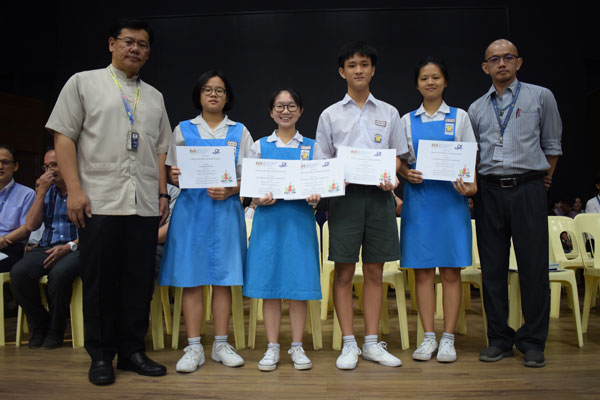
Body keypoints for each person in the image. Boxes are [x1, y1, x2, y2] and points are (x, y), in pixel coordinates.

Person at [46, 18, 172, 385]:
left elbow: (161, 149)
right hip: (98, 200)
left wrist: (162, 193)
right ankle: (100, 355)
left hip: (144, 202)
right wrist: (74, 190)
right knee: (100, 281)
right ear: (112, 44)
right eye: (129, 42)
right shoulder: (83, 83)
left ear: (149, 52)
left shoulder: (154, 96)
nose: (135, 49)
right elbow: (64, 137)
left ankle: (132, 350)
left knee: (138, 281)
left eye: (143, 45)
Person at [468, 39, 562, 368]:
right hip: (489, 192)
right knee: (492, 270)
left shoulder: (541, 97)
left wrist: (542, 180)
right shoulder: (477, 108)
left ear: (519, 62)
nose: (502, 64)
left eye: (508, 58)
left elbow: (552, 145)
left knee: (533, 268)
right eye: (494, 59)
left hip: (528, 189)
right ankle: (499, 339)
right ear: (485, 67)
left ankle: (533, 341)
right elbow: (473, 155)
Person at [315, 41, 408, 370]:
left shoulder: (389, 112)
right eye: (352, 65)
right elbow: (322, 161)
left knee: (374, 271)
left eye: (364, 64)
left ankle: (371, 342)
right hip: (344, 199)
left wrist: (390, 174)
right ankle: (349, 343)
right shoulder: (330, 114)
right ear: (342, 72)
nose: (358, 70)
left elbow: (398, 156)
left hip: (380, 197)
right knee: (343, 271)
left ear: (372, 70)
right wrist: (337, 178)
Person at [158, 70, 253, 373]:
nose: (213, 94)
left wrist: (232, 188)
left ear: (228, 96)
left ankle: (221, 344)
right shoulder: (183, 129)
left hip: (226, 212)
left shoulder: (240, 131)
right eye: (208, 89)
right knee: (192, 280)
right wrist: (173, 175)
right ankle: (194, 346)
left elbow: (252, 175)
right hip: (191, 213)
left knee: (224, 280)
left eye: (220, 90)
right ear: (199, 94)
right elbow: (173, 170)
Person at [399, 57, 477, 363]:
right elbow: (399, 161)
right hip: (419, 203)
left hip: (451, 202)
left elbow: (470, 157)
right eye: (424, 78)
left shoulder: (460, 117)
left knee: (451, 272)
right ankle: (428, 337)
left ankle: (448, 339)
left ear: (445, 82)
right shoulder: (407, 120)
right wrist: (407, 173)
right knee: (422, 273)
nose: (430, 82)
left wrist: (470, 185)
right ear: (417, 84)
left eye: (435, 77)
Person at [243, 88, 321, 371]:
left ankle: (297, 347)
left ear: (300, 111)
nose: (285, 111)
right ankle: (273, 347)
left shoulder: (313, 146)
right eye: (279, 106)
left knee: (299, 286)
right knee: (271, 286)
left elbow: (321, 184)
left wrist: (316, 195)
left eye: (291, 106)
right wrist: (256, 198)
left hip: (299, 221)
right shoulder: (259, 146)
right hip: (268, 222)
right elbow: (249, 188)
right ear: (271, 112)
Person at [10, 148, 80, 349]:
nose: (51, 171)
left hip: (76, 246)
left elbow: (95, 231)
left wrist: (68, 246)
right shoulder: (46, 191)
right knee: (20, 273)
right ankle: (40, 324)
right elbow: (31, 225)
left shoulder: (82, 190)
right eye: (47, 166)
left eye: (55, 165)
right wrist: (40, 192)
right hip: (47, 246)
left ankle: (56, 330)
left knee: (59, 274)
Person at [0, 145, 35, 273]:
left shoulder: (27, 193)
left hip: (10, 246)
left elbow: (26, 228)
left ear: (15, 166)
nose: (0, 167)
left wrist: (4, 240)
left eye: (5, 162)